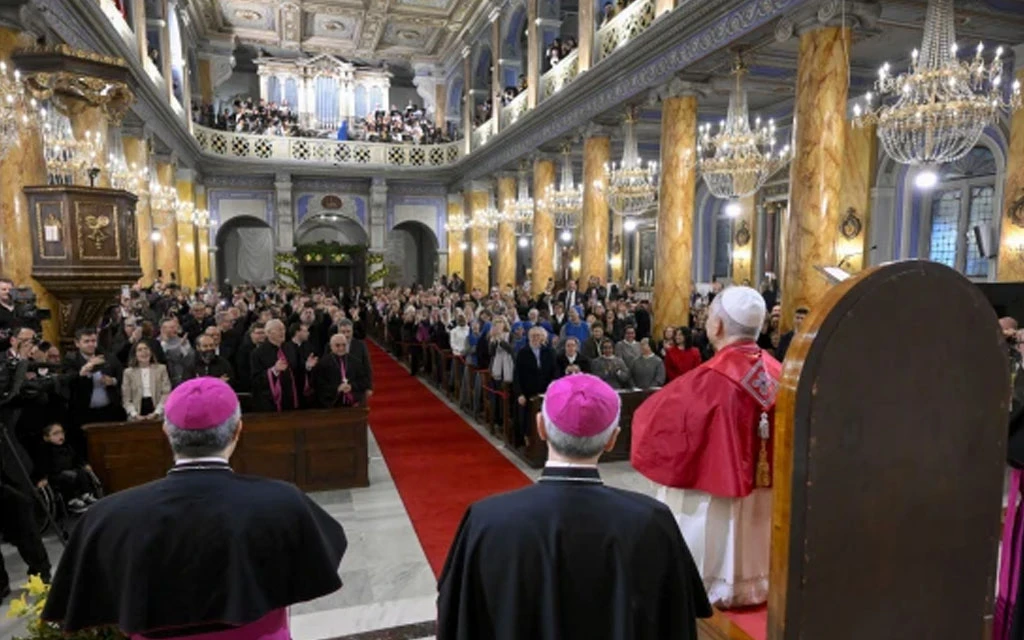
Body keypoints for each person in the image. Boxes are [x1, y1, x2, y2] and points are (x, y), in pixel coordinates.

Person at [41, 377, 348, 637]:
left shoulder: (104, 517)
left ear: (165, 432)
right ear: (238, 430)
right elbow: (323, 559)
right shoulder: (283, 501)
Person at [437, 374, 711, 639]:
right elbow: (677, 621)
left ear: (540, 427)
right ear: (613, 438)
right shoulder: (653, 521)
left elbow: (456, 619)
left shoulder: (485, 522)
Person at [631, 286, 782, 608]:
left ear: (717, 327)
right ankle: (758, 581)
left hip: (716, 494)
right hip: (769, 495)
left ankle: (717, 585)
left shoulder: (707, 380)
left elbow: (654, 419)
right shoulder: (781, 373)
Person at [33, 423, 98, 513]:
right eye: (55, 434)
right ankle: (72, 501)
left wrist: (84, 464)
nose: (60, 436)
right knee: (67, 477)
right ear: (46, 438)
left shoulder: (67, 447)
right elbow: (40, 467)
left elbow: (77, 459)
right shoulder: (44, 450)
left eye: (61, 433)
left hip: (71, 471)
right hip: (55, 476)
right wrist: (41, 478)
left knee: (81, 472)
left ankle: (86, 495)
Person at [251, 319, 308, 412]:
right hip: (271, 402)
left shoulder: (290, 347)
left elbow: (297, 370)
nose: (282, 332)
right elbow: (256, 380)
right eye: (279, 330)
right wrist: (274, 370)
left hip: (292, 398)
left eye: (283, 329)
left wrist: (307, 366)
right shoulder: (258, 353)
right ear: (268, 333)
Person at [512, 326, 557, 446]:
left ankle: (545, 441)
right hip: (528, 392)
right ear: (529, 337)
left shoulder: (549, 352)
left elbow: (554, 372)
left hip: (545, 392)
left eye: (538, 336)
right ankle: (528, 440)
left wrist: (553, 389)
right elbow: (517, 375)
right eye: (533, 336)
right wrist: (520, 393)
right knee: (528, 418)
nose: (536, 338)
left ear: (543, 337)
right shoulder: (522, 352)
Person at [314, 334, 371, 408]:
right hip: (331, 405)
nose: (341, 348)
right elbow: (319, 385)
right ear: (331, 346)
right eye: (337, 345)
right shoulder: (323, 364)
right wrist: (337, 388)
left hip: (353, 403)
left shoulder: (355, 362)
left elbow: (364, 381)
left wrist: (351, 386)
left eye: (344, 345)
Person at [122, 341, 172, 421]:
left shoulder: (161, 369)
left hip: (158, 411)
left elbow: (166, 393)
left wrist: (157, 412)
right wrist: (135, 415)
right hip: (136, 413)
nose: (143, 352)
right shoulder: (128, 372)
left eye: (146, 349)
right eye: (140, 350)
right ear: (135, 354)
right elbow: (126, 399)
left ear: (151, 352)